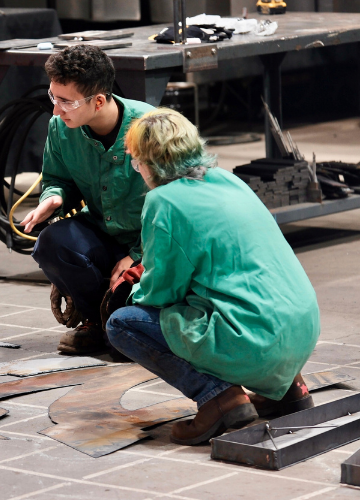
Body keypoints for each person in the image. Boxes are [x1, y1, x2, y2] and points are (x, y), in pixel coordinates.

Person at [106, 108, 320, 445]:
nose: (138, 170)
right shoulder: (228, 180)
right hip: (302, 327)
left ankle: (220, 399)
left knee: (123, 324)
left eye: (137, 162)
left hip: (255, 339)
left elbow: (162, 291)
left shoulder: (164, 200)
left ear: (150, 161)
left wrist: (130, 290)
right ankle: (289, 389)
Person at [20, 45, 154, 355]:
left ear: (98, 101)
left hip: (155, 242)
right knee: (52, 243)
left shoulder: (151, 127)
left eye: (66, 102)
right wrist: (53, 198)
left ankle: (130, 319)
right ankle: (99, 319)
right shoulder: (61, 128)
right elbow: (57, 179)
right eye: (54, 98)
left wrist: (138, 256)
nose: (56, 110)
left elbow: (180, 206)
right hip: (104, 233)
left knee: (139, 328)